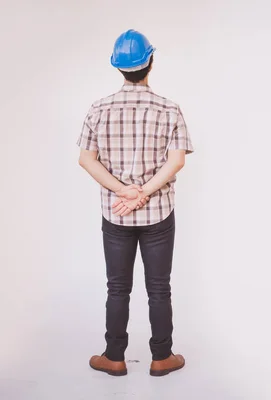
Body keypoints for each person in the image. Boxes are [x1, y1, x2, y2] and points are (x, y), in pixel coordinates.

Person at [77, 29, 193, 377]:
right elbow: (176, 162)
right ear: (150, 64)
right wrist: (144, 192)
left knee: (117, 287)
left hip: (115, 214)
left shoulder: (99, 109)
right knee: (159, 287)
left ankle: (114, 356)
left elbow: (86, 159)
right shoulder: (169, 109)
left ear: (119, 68)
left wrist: (122, 191)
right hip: (159, 212)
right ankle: (162, 357)